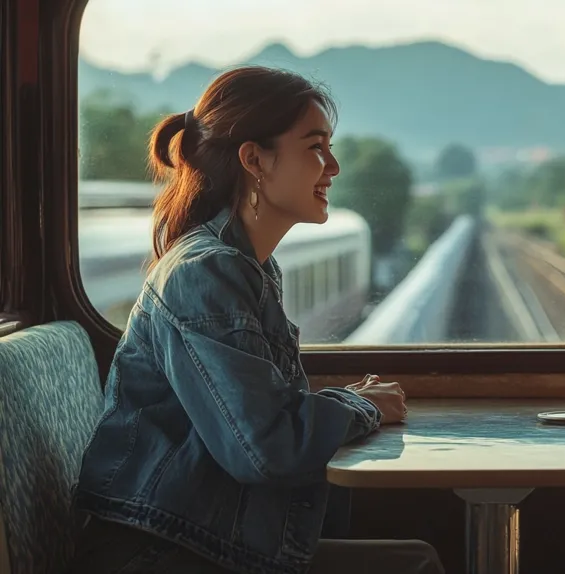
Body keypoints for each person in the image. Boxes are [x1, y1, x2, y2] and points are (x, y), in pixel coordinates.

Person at [71, 66, 444, 574]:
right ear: (254, 160)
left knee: (415, 560)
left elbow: (264, 420)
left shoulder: (248, 266)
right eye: (315, 147)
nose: (332, 166)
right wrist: (357, 406)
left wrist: (346, 406)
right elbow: (264, 448)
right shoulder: (208, 271)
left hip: (189, 536)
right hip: (157, 552)